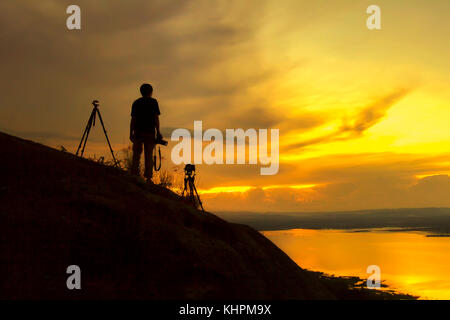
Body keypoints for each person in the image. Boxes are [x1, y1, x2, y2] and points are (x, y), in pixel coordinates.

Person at [129, 83, 161, 182]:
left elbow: (133, 119)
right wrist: (158, 132)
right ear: (151, 92)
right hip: (149, 133)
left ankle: (134, 174)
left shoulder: (136, 103)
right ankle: (148, 177)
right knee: (148, 155)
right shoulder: (153, 102)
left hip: (138, 132)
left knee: (136, 154)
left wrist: (131, 132)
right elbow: (156, 118)